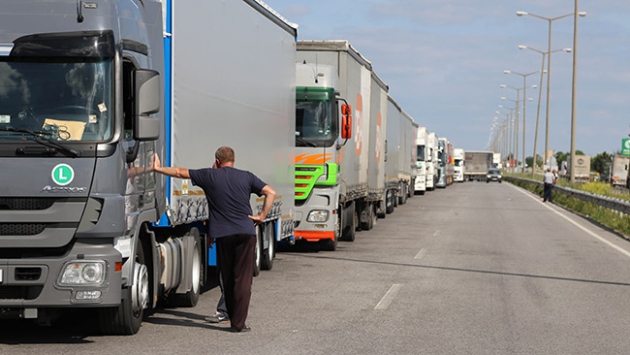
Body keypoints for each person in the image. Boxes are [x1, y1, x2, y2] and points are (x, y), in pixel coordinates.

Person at [153, 146, 276, 333]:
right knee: (242, 280)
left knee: (227, 277)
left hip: (224, 235)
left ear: (217, 161)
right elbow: (271, 192)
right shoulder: (246, 176)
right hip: (246, 232)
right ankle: (238, 324)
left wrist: (159, 169)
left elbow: (179, 172)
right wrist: (261, 215)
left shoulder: (210, 176)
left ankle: (229, 314)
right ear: (233, 160)